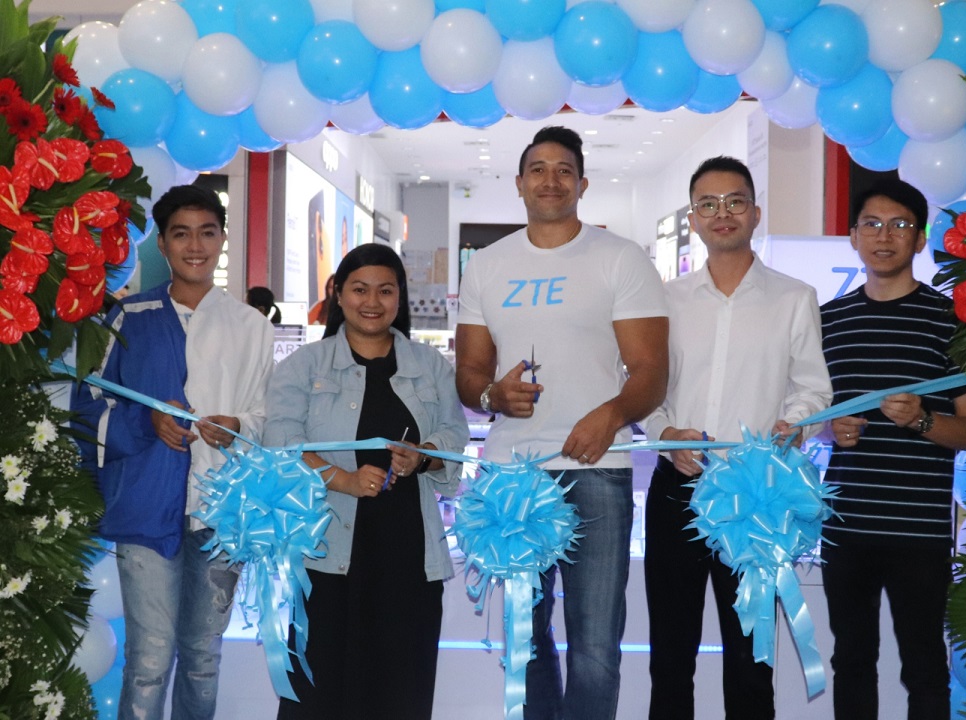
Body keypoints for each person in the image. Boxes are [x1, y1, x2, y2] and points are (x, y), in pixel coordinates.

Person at [455, 126, 669, 720]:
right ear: (520, 182)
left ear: (582, 183)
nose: (551, 179)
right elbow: (469, 375)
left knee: (596, 643)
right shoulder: (488, 265)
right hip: (510, 474)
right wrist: (494, 396)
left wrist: (614, 412)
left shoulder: (620, 258)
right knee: (524, 637)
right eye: (538, 169)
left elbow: (652, 370)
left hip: (595, 467)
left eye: (564, 169)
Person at [73, 185, 275, 720]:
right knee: (149, 658)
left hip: (222, 513)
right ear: (161, 244)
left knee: (204, 658)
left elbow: (269, 419)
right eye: (181, 233)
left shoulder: (251, 327)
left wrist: (238, 427)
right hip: (145, 509)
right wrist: (146, 421)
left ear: (222, 240)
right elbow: (85, 409)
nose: (195, 245)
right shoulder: (125, 319)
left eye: (207, 232)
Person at [642, 156, 833, 720]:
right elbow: (645, 387)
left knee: (752, 658)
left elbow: (813, 388)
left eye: (735, 202)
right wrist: (665, 433)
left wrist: (794, 422)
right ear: (693, 219)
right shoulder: (665, 300)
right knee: (670, 654)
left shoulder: (794, 297)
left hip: (757, 496)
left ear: (755, 212)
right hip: (678, 488)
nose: (722, 213)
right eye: (708, 204)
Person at [267, 244, 468, 720]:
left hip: (408, 558)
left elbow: (455, 439)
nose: (372, 301)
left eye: (385, 289)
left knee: (402, 692)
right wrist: (344, 480)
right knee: (317, 696)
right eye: (359, 289)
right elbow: (280, 444)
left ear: (400, 297)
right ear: (338, 293)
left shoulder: (430, 366)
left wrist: (423, 458)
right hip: (325, 557)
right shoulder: (305, 366)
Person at [817, 178, 966, 720]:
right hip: (845, 526)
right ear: (851, 237)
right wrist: (832, 432)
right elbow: (816, 422)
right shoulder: (829, 322)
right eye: (871, 224)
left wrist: (921, 421)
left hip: (918, 531)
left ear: (919, 240)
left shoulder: (951, 322)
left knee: (924, 668)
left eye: (900, 225)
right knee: (851, 661)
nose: (883, 237)